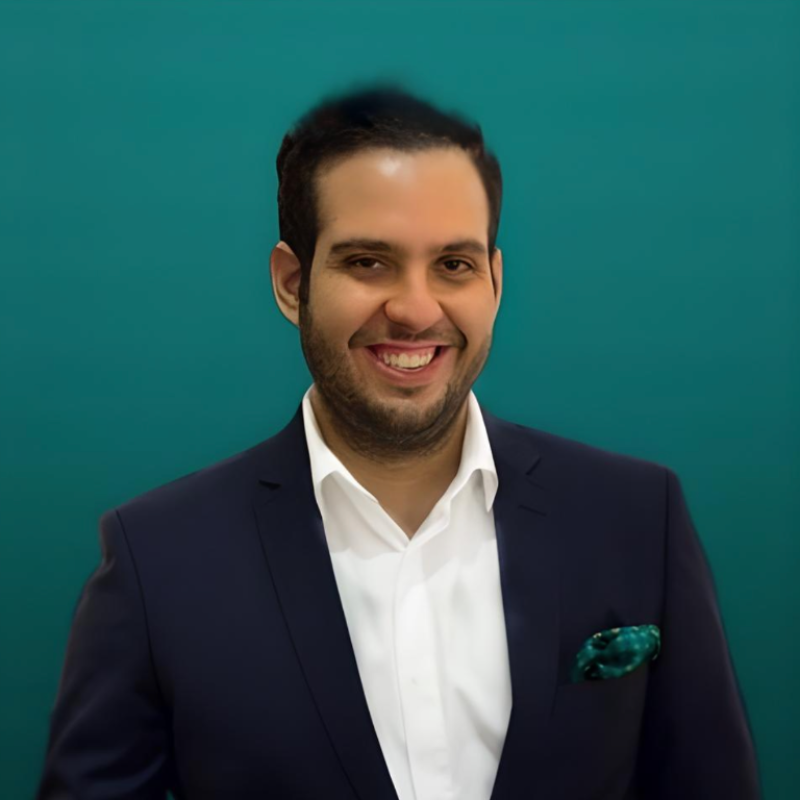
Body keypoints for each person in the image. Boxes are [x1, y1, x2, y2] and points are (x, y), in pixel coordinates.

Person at [36, 84, 762, 800]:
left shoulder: (638, 517)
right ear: (291, 283)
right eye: (367, 262)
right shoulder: (156, 560)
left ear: (495, 282)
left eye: (454, 265)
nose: (415, 310)